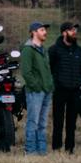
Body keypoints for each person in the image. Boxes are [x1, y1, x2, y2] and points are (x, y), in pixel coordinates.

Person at [49, 21, 81, 153]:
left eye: (75, 30)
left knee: (72, 122)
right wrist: (56, 83)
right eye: (71, 30)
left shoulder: (79, 50)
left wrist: (80, 82)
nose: (75, 33)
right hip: (59, 91)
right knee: (58, 121)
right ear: (64, 33)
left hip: (75, 91)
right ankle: (56, 147)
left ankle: (70, 148)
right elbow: (49, 69)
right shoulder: (54, 50)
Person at [21, 22, 54, 155]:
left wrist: (50, 85)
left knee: (43, 123)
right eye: (42, 30)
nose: (45, 32)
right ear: (34, 32)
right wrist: (36, 86)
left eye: (45, 30)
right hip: (35, 92)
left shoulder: (43, 50)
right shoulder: (28, 50)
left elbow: (47, 70)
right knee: (33, 121)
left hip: (46, 91)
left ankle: (41, 150)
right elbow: (26, 72)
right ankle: (30, 150)